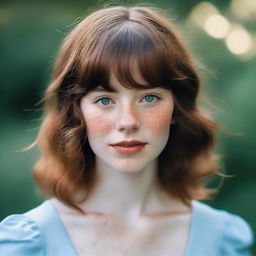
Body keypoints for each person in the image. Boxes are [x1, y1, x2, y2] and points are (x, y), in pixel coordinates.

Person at [0, 5, 254, 256]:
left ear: (177, 107)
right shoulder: (30, 242)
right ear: (76, 111)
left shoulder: (221, 239)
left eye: (149, 98)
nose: (128, 121)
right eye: (104, 100)